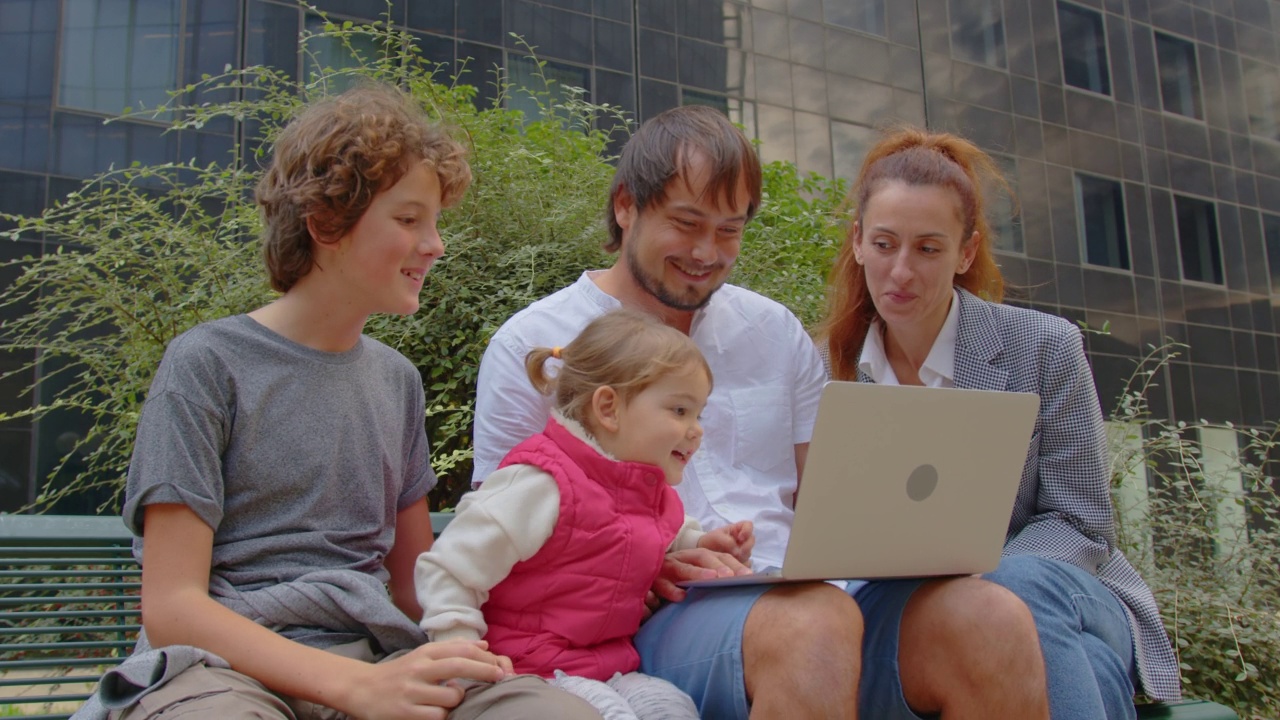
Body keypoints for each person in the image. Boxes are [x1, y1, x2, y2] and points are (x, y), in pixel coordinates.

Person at [472, 103, 1050, 719]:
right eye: (686, 223)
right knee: (814, 626)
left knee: (991, 618)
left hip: (812, 591)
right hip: (653, 621)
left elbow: (832, 495)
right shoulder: (535, 345)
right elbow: (500, 544)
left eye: (729, 230)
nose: (706, 252)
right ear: (625, 207)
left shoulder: (773, 331)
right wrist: (645, 559)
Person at [76, 83, 601, 720]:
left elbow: (411, 587)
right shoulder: (207, 364)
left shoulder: (396, 380)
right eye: (409, 220)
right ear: (326, 222)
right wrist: (354, 689)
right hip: (218, 668)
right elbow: (171, 607)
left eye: (434, 223)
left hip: (375, 653)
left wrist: (484, 644)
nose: (435, 244)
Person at [817, 126, 1181, 718]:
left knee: (1018, 592)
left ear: (965, 252)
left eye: (928, 249)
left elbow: (1081, 521)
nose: (901, 271)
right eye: (885, 244)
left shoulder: (1043, 346)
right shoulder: (823, 369)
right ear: (858, 242)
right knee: (1083, 666)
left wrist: (989, 580)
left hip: (1066, 590)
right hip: (908, 610)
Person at [416, 308, 755, 719]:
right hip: (524, 671)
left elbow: (664, 531)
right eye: (680, 411)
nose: (696, 429)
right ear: (609, 408)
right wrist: (461, 655)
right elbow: (449, 569)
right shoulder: (540, 483)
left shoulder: (647, 490)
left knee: (672, 708)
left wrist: (703, 544)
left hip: (608, 666)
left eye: (699, 414)